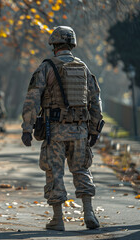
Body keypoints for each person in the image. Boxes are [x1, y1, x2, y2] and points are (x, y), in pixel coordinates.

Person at [21, 26, 104, 231]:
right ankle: (89, 213)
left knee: (54, 172)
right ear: (72, 45)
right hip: (79, 131)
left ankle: (58, 220)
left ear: (54, 45)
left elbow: (32, 99)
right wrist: (94, 130)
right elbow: (96, 102)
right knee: (82, 169)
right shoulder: (84, 68)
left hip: (54, 131)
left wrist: (27, 128)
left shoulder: (46, 67)